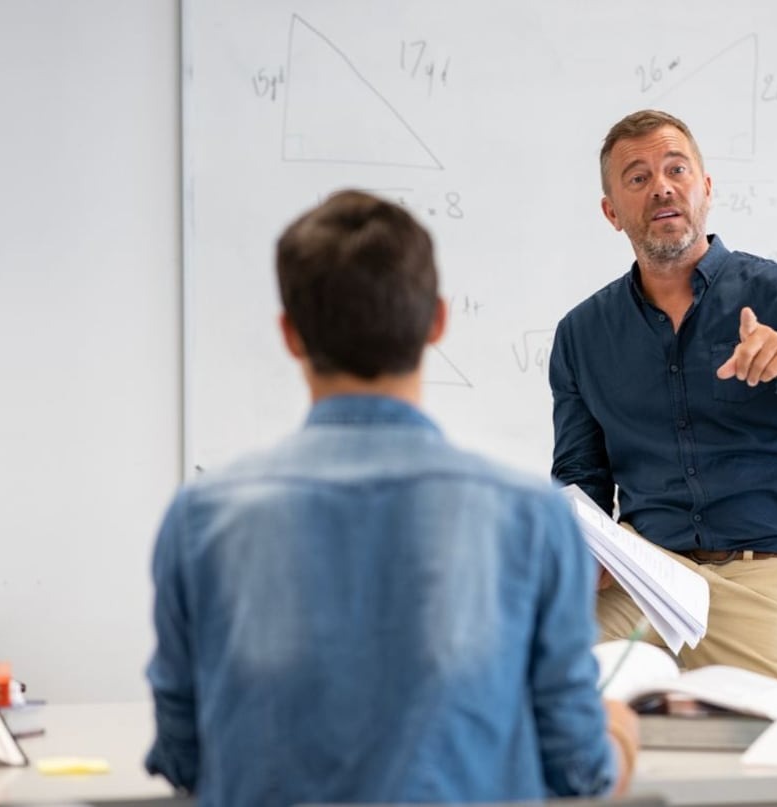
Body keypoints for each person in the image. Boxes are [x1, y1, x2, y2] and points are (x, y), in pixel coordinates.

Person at [145, 190, 638, 807]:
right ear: (437, 320)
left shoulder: (201, 519)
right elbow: (576, 768)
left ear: (291, 335)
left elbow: (183, 753)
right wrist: (618, 732)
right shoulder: (533, 518)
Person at [550, 109, 777, 688]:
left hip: (770, 577)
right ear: (612, 212)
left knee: (770, 754)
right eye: (637, 177)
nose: (661, 186)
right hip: (646, 576)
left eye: (676, 168)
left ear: (705, 188)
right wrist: (583, 550)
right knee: (546, 689)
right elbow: (580, 478)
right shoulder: (582, 334)